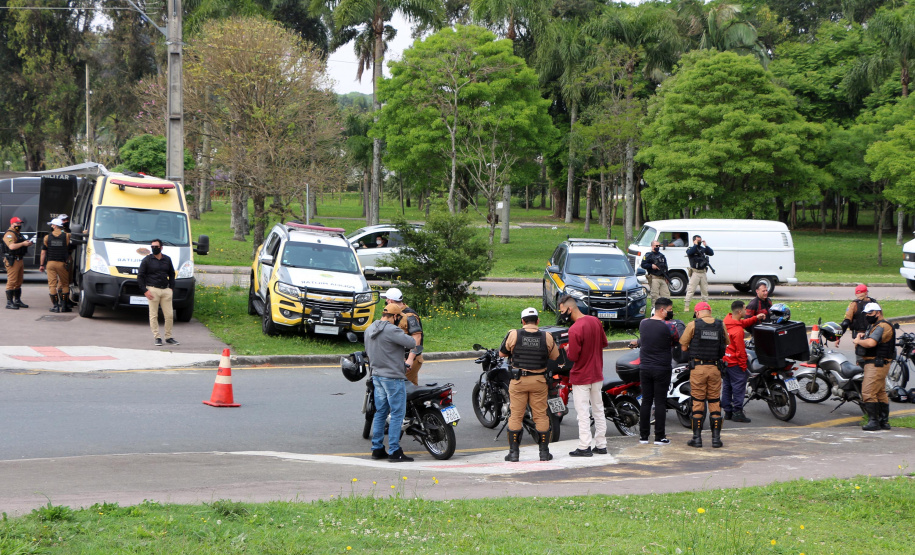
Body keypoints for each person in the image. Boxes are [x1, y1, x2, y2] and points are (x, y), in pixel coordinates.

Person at [499, 307, 560, 462]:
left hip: (518, 381)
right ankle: (544, 453)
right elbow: (555, 356)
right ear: (538, 321)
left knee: (516, 415)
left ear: (523, 321)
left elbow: (502, 353)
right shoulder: (547, 336)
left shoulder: (514, 334)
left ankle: (513, 454)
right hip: (539, 381)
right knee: (540, 415)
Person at [365, 303, 419, 462]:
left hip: (377, 376)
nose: (399, 321)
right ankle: (395, 451)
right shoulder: (392, 330)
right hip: (393, 378)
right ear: (395, 317)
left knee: (381, 412)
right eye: (399, 318)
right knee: (397, 413)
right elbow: (411, 343)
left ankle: (377, 449)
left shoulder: (369, 329)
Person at [558, 295, 609, 457]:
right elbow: (603, 343)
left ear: (569, 309)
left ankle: (584, 446)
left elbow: (573, 356)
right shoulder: (594, 321)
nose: (562, 314)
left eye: (562, 311)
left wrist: (567, 349)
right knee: (598, 410)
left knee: (583, 413)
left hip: (581, 376)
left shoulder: (574, 329)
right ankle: (601, 444)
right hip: (597, 373)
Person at [680, 301, 729, 448]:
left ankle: (697, 439)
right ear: (710, 311)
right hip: (715, 368)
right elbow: (726, 343)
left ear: (697, 312)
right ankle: (716, 439)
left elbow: (683, 346)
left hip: (698, 369)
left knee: (698, 402)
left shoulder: (693, 325)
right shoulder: (721, 325)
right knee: (714, 401)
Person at [633, 297, 681, 445]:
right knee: (660, 402)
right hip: (662, 368)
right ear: (662, 310)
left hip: (645, 368)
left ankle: (643, 436)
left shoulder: (643, 323)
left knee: (646, 401)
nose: (670, 313)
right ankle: (659, 437)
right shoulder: (669, 326)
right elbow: (676, 340)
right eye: (670, 310)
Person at [852, 303, 894, 432]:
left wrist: (858, 341)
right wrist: (861, 336)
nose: (867, 316)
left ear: (878, 312)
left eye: (870, 313)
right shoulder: (876, 326)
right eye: (866, 313)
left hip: (876, 364)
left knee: (868, 392)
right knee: (880, 393)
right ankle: (883, 421)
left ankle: (873, 421)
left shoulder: (882, 326)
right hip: (877, 363)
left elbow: (871, 343)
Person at [722, 300, 764, 422]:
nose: (746, 311)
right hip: (735, 363)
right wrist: (743, 365)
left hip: (725, 361)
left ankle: (728, 412)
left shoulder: (726, 322)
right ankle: (738, 412)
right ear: (740, 311)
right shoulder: (738, 331)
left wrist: (755, 318)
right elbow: (741, 351)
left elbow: (741, 323)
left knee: (727, 387)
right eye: (745, 309)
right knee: (738, 388)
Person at [137, 239, 179, 347]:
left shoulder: (167, 259)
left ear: (161, 247)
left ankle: (168, 337)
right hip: (153, 289)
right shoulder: (147, 260)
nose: (154, 248)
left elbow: (172, 274)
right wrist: (145, 290)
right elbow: (140, 276)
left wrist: (171, 288)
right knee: (153, 315)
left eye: (156, 247)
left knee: (169, 315)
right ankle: (157, 337)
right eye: (152, 247)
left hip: (166, 290)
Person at [383, 287, 424, 385]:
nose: (386, 302)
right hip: (400, 359)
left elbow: (417, 338)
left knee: (399, 387)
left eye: (386, 301)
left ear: (391, 301)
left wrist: (410, 360)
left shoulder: (409, 316)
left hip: (410, 359)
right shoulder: (395, 313)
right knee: (412, 392)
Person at [39, 218, 74, 313]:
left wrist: (42, 265)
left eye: (52, 225)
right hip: (62, 263)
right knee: (65, 284)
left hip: (50, 263)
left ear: (55, 226)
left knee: (52, 285)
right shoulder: (67, 236)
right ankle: (64, 306)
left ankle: (55, 306)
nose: (51, 226)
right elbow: (77, 235)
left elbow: (43, 253)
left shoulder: (47, 237)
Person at [3, 217, 33, 310]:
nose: (19, 225)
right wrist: (23, 244)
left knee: (19, 281)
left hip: (19, 259)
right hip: (12, 260)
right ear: (12, 224)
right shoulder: (9, 234)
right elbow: (11, 246)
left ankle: (17, 300)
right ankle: (9, 302)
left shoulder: (18, 234)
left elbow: (20, 244)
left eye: (20, 223)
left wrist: (27, 243)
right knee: (12, 281)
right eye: (17, 223)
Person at [684, 235, 714, 313]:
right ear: (694, 241)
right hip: (695, 272)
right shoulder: (691, 249)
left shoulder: (702, 249)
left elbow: (711, 253)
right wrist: (696, 245)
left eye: (700, 240)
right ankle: (687, 305)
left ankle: (705, 305)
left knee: (705, 290)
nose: (699, 242)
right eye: (698, 240)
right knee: (691, 289)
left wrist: (706, 245)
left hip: (703, 272)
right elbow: (690, 253)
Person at [641, 240, 670, 306]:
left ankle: (666, 310)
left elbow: (666, 267)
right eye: (656, 246)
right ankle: (654, 311)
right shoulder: (648, 255)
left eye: (659, 246)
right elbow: (643, 264)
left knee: (666, 295)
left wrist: (667, 277)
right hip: (654, 278)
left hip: (662, 278)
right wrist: (651, 266)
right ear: (652, 246)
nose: (658, 247)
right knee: (655, 296)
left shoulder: (662, 256)